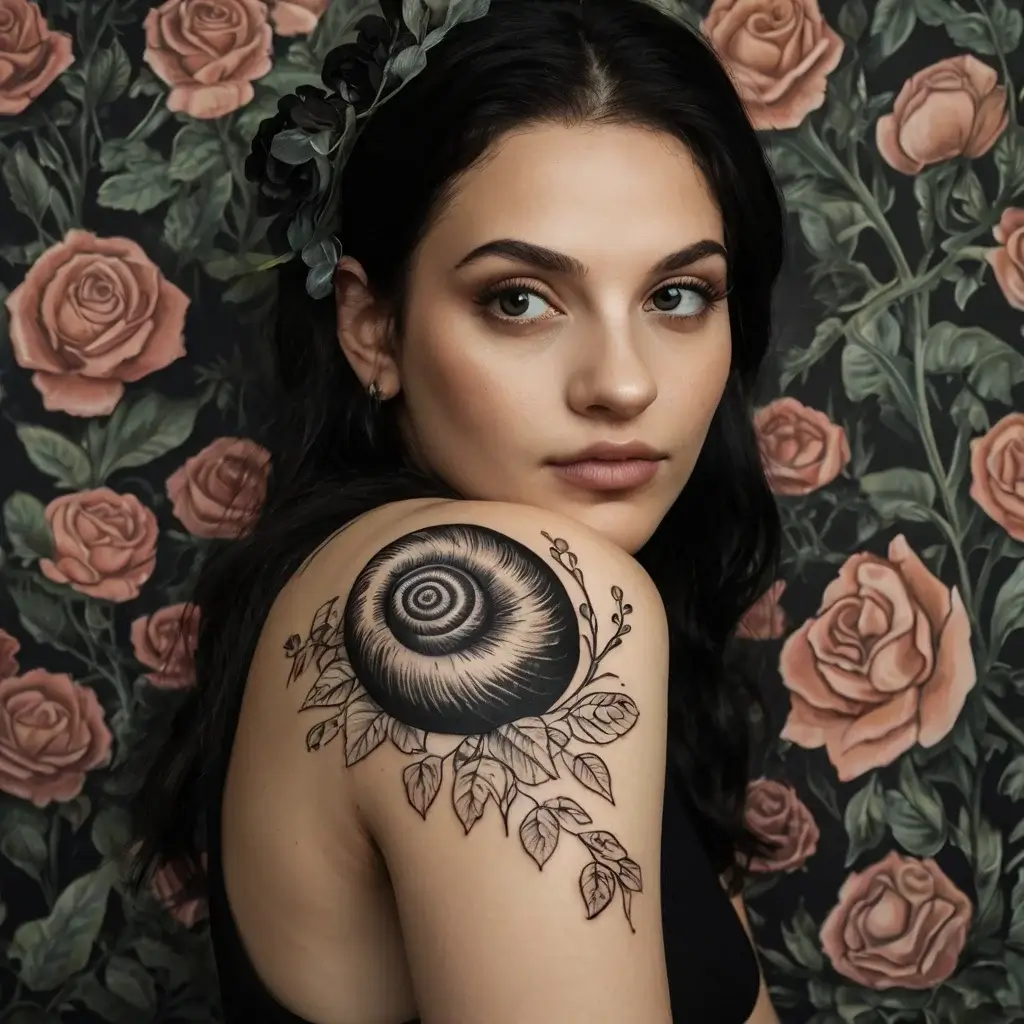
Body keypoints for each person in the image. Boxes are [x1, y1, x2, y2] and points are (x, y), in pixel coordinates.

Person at [130, 1, 786, 1021]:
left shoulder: (371, 580)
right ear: (372, 329)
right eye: (518, 298)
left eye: (676, 296)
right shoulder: (498, 578)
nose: (621, 384)